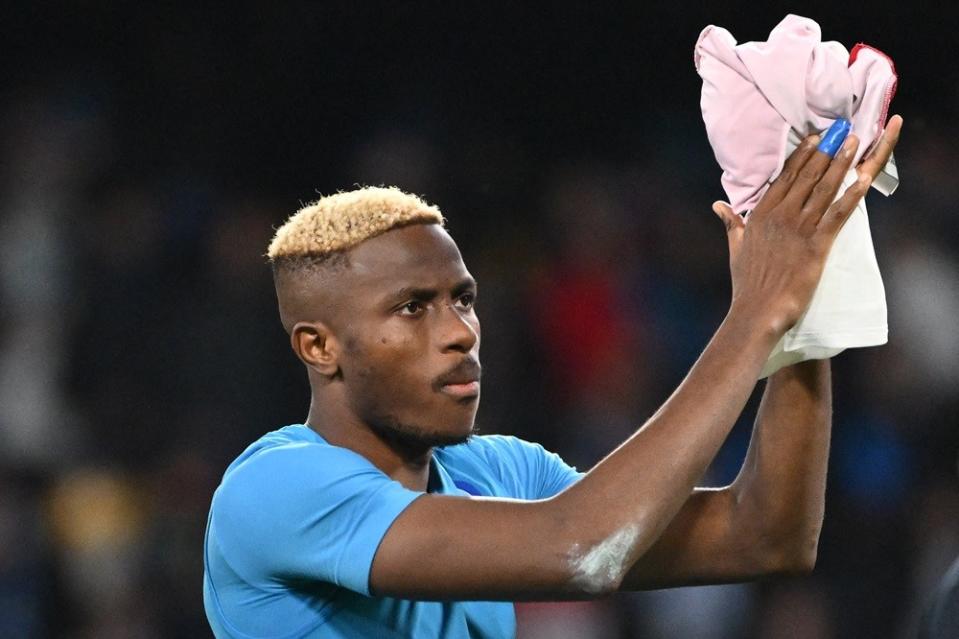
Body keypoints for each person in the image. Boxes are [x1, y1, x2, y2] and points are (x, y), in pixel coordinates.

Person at [202, 116, 902, 638]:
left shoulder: (498, 472)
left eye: (463, 298)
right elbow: (581, 550)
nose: (458, 330)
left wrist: (807, 292)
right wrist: (752, 314)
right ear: (318, 345)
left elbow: (764, 534)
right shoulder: (274, 488)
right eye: (412, 307)